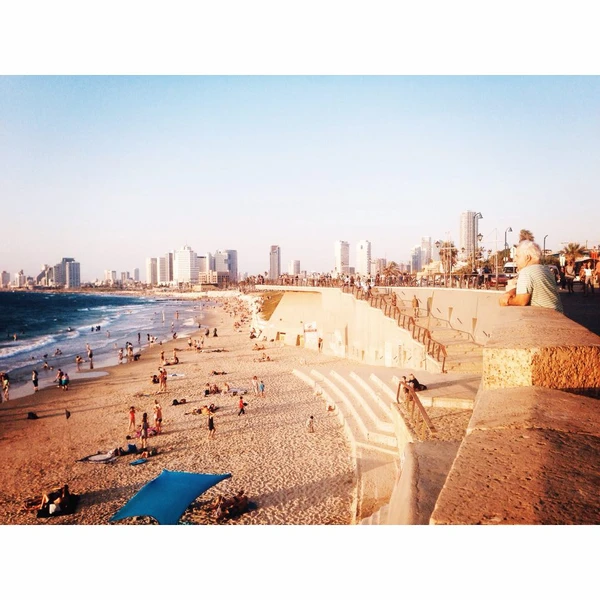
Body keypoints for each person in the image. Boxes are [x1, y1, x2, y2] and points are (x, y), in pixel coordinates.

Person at [499, 240, 563, 312]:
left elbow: (522, 301)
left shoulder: (526, 272)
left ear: (527, 258)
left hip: (544, 315)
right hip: (558, 313)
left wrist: (506, 301)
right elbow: (530, 288)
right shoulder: (545, 269)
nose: (514, 260)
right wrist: (512, 291)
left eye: (517, 256)